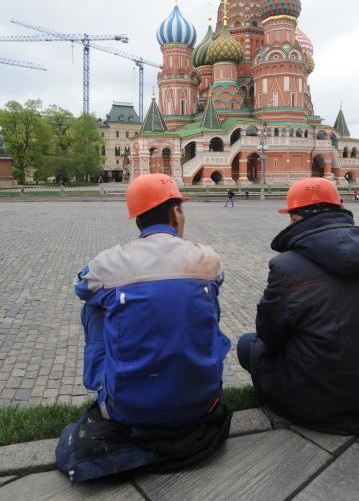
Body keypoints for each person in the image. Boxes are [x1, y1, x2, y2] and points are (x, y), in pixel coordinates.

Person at [56, 173, 232, 485]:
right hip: (203, 404)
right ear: (176, 213)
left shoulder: (109, 262)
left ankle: (101, 383)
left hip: (130, 413)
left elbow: (81, 287)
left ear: (137, 217)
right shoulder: (208, 258)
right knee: (199, 296)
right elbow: (213, 281)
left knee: (95, 307)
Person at [237, 177, 359, 435]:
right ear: (340, 209)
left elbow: (269, 336)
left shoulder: (286, 267)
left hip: (317, 403)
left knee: (246, 344)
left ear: (295, 219)